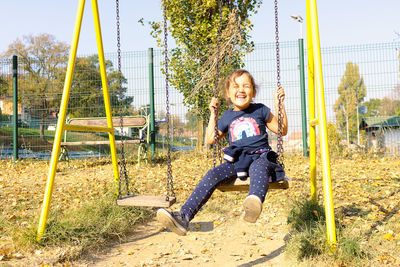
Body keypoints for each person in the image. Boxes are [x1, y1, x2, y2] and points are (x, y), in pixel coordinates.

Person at [157, 69, 288, 236]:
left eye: (246, 86)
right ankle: (184, 217)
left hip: (261, 156)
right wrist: (213, 114)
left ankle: (253, 205)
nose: (241, 90)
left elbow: (281, 129)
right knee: (212, 174)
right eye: (236, 86)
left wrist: (279, 105)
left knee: (259, 168)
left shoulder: (260, 110)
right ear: (228, 93)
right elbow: (211, 138)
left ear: (253, 92)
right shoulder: (226, 116)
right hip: (238, 161)